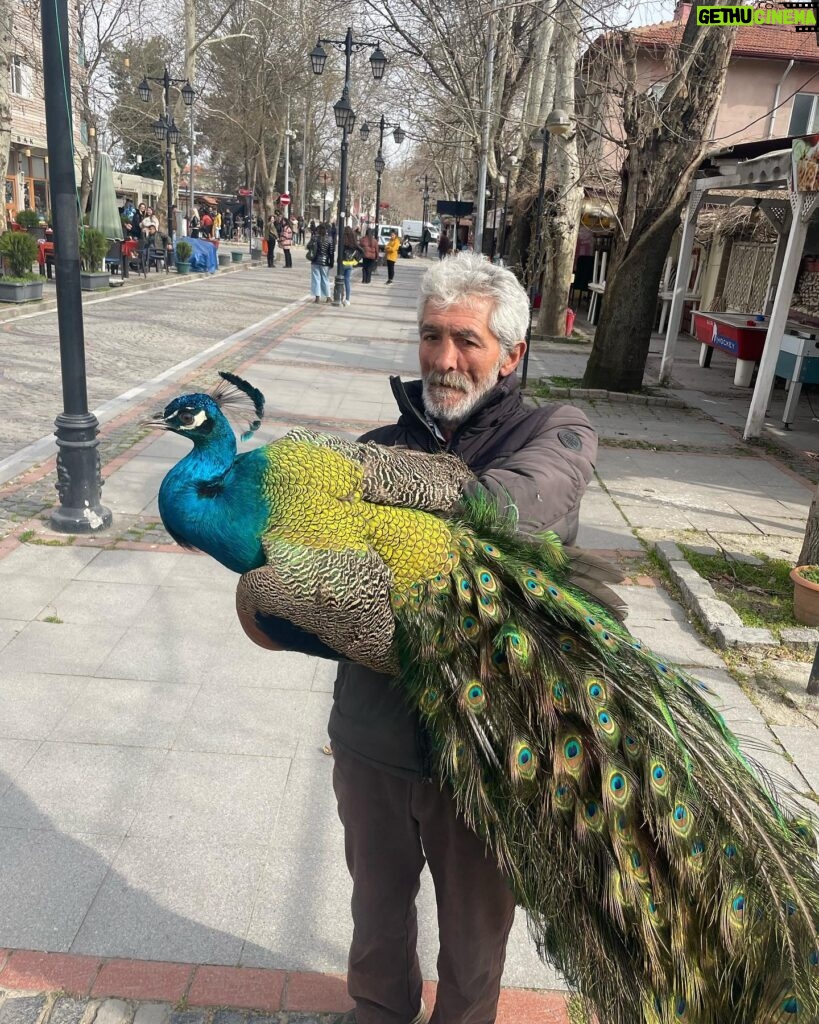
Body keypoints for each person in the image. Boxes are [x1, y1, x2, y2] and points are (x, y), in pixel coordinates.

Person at [236, 254, 597, 1024]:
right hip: (372, 736)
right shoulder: (376, 442)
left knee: (472, 947)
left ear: (511, 353)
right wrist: (276, 603)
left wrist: (368, 509)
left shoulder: (551, 437)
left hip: (488, 747)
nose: (443, 358)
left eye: (465, 340)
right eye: (431, 336)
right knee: (375, 925)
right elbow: (318, 581)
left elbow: (514, 512)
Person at [308, 222, 334, 303]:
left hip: (315, 261)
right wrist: (331, 262)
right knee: (325, 279)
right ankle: (328, 297)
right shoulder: (329, 239)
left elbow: (308, 246)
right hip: (325, 261)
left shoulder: (315, 238)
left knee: (316, 279)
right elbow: (331, 252)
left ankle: (317, 297)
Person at [341, 226, 363, 307]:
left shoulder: (343, 242)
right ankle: (347, 300)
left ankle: (341, 298)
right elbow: (362, 251)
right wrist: (356, 260)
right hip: (350, 264)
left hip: (342, 264)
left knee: (340, 281)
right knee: (347, 282)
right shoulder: (353, 243)